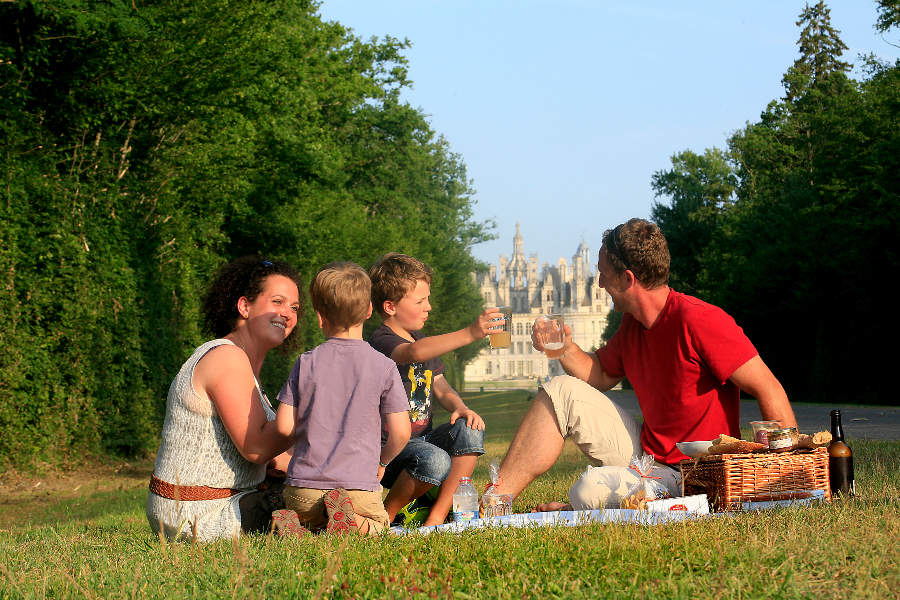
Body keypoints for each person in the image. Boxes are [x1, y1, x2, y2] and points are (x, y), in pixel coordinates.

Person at [489, 218, 798, 511]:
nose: (599, 283)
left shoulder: (699, 319)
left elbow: (768, 388)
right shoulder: (632, 326)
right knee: (560, 390)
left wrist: (790, 474)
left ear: (627, 278)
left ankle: (622, 501)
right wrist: (563, 348)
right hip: (647, 457)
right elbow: (599, 374)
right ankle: (494, 503)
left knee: (588, 490)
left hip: (697, 471)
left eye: (603, 273)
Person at [147, 256, 302, 542]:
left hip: (222, 503)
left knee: (318, 491)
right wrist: (314, 412)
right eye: (278, 302)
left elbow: (276, 455)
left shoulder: (243, 366)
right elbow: (255, 447)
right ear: (244, 306)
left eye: (294, 307)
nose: (288, 314)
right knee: (312, 506)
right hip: (199, 512)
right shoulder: (225, 357)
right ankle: (391, 528)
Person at [274, 262, 411, 535]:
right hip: (358, 488)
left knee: (311, 517)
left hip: (303, 489)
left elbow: (283, 427)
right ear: (370, 310)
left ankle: (298, 523)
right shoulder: (383, 366)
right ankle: (350, 520)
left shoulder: (306, 363)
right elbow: (401, 432)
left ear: (319, 316)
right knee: (379, 527)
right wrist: (382, 463)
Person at [367, 253, 501, 527]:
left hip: (424, 440)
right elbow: (412, 353)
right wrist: (471, 333)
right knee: (437, 460)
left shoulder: (422, 339)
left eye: (427, 298)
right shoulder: (381, 340)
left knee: (469, 427)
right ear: (390, 306)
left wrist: (459, 407)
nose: (429, 307)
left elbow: (440, 385)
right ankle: (385, 517)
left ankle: (438, 516)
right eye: (420, 301)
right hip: (389, 451)